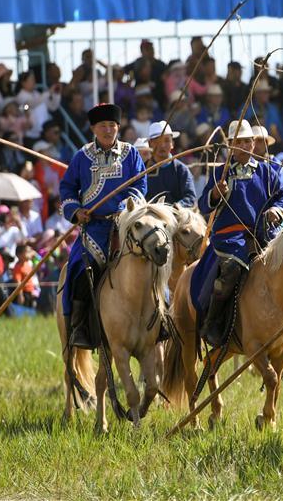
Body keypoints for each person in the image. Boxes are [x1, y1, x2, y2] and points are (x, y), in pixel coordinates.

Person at [190, 119, 283, 347]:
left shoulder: (267, 171)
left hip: (264, 234)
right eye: (238, 142)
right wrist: (216, 194)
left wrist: (278, 208)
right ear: (230, 145)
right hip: (230, 236)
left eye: (248, 142)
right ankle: (213, 323)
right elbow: (204, 204)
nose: (244, 146)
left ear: (254, 144)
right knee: (231, 268)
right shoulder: (220, 173)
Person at [58, 103, 147, 349]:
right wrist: (76, 211)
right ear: (93, 129)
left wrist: (125, 208)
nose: (108, 130)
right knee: (78, 269)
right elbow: (67, 188)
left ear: (118, 127)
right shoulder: (81, 156)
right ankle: (80, 328)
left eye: (112, 125)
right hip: (93, 229)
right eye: (103, 126)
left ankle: (160, 322)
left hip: (126, 226)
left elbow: (139, 186)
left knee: (152, 261)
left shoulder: (131, 154)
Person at [144, 120, 197, 208]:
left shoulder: (181, 170)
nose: (162, 145)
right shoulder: (143, 169)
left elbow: (190, 197)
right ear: (150, 144)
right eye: (157, 141)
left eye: (166, 141)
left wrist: (178, 206)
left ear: (172, 144)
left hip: (175, 217)